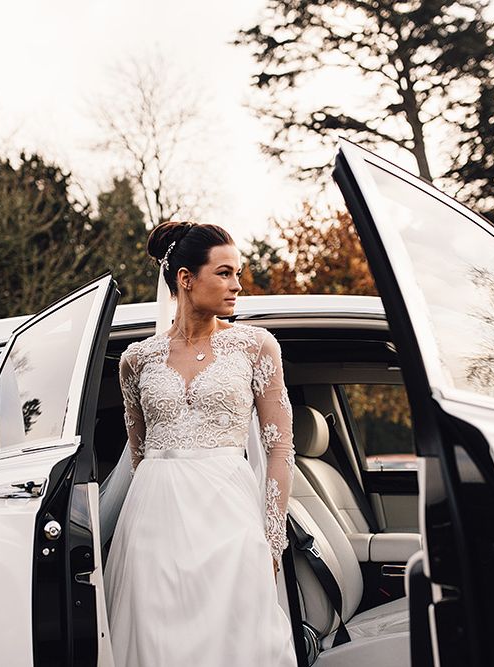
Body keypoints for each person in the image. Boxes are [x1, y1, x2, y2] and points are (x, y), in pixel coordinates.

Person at [103, 221, 297, 666]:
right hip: (153, 522)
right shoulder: (136, 359)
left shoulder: (255, 346)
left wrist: (271, 538)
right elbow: (137, 452)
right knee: (156, 641)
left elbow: (279, 450)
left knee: (234, 637)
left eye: (238, 273)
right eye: (225, 273)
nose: (237, 286)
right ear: (186, 279)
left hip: (229, 517)